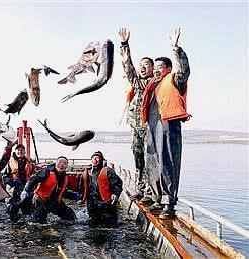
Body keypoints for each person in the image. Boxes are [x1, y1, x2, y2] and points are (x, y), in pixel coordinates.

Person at [142, 28, 190, 219]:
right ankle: (157, 197)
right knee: (153, 162)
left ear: (169, 69)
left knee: (168, 161)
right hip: (152, 126)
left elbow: (184, 69)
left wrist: (176, 48)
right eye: (156, 67)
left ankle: (169, 203)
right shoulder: (152, 84)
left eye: (160, 67)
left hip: (169, 125)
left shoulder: (175, 79)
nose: (156, 70)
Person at [118, 27, 154, 204]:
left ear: (153, 68)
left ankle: (150, 192)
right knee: (137, 157)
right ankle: (140, 189)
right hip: (135, 127)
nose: (142, 68)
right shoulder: (137, 82)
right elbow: (128, 68)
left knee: (149, 159)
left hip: (148, 127)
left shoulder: (153, 83)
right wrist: (124, 45)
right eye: (141, 66)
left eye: (146, 66)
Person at [20, 156, 76, 224]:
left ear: (66, 166)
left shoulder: (65, 177)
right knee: (39, 223)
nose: (61, 165)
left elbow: (62, 192)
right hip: (40, 201)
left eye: (64, 163)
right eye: (60, 162)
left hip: (54, 202)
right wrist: (27, 190)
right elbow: (33, 179)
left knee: (70, 216)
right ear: (55, 164)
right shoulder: (46, 172)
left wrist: (74, 196)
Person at [78, 151, 123, 225]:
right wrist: (81, 198)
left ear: (101, 160)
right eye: (93, 158)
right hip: (92, 203)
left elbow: (117, 184)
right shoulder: (87, 172)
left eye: (97, 158)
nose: (95, 159)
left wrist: (115, 194)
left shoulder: (108, 171)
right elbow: (82, 187)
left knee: (109, 225)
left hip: (106, 204)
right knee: (93, 224)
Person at [2, 144, 34, 220]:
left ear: (25, 152)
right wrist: (13, 182)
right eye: (18, 150)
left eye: (22, 150)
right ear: (15, 151)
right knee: (12, 211)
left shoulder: (29, 162)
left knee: (27, 211)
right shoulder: (9, 162)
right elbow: (4, 177)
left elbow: (33, 175)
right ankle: (12, 227)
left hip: (25, 189)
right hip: (13, 190)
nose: (20, 151)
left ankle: (26, 227)